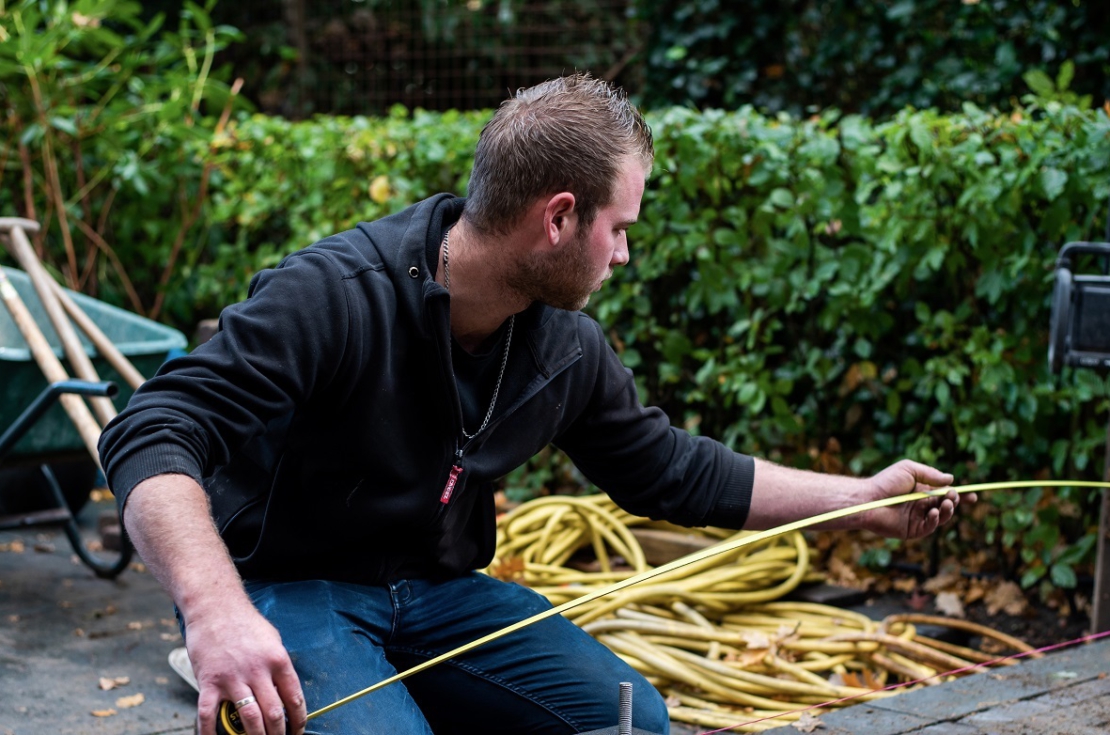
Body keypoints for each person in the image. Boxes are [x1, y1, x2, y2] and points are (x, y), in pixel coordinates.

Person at [99, 73, 969, 735]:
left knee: (628, 721)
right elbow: (149, 431)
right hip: (291, 588)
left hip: (438, 595)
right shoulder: (333, 295)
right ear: (558, 219)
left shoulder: (560, 343)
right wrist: (217, 613)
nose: (623, 253)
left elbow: (667, 469)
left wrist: (861, 501)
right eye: (618, 226)